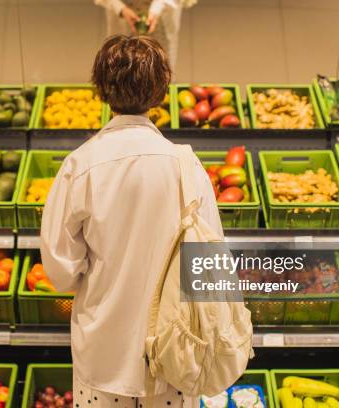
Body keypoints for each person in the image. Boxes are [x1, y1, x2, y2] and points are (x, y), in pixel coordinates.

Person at [40, 35, 223, 407]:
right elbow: (210, 268)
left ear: (101, 90)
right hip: (176, 357)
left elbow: (59, 271)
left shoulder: (80, 165)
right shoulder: (187, 166)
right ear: (161, 93)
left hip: (104, 358)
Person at [94, 0, 197, 69]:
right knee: (121, 60)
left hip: (162, 10)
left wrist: (158, 6)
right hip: (124, 7)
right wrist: (120, 8)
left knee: (160, 61)